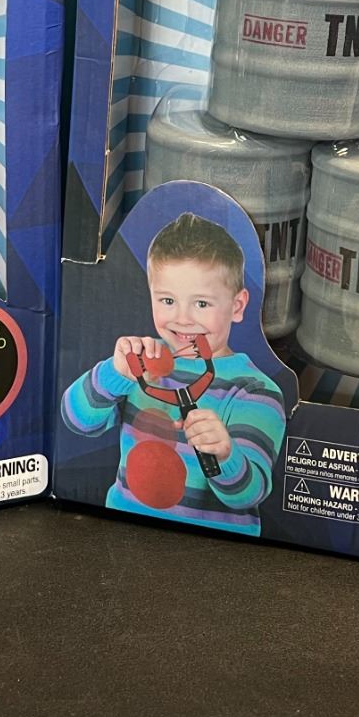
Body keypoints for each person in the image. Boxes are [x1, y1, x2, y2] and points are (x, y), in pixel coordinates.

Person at [62, 212, 286, 535]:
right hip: (125, 535)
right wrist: (115, 373)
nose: (182, 319)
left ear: (237, 307)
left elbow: (247, 496)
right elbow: (76, 421)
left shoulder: (255, 391)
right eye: (168, 300)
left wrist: (225, 453)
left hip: (213, 552)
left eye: (202, 304)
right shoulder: (140, 364)